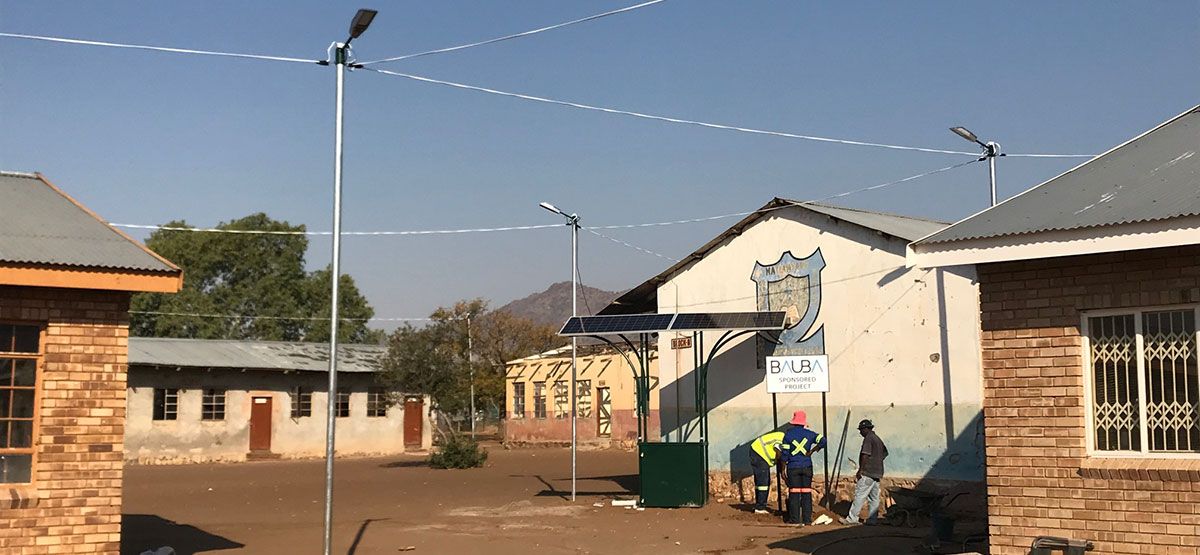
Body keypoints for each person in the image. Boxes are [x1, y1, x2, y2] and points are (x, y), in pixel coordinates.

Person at [779, 409, 825, 526]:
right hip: (807, 466)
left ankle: (794, 519)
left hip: (793, 467)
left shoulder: (788, 435)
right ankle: (807, 520)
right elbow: (823, 441)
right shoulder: (810, 434)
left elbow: (785, 453)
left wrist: (782, 469)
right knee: (806, 493)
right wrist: (813, 450)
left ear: (793, 422)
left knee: (794, 493)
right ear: (804, 422)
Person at [841, 419, 888, 525]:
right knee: (874, 497)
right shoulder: (877, 439)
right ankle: (872, 520)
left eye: (861, 430)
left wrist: (861, 470)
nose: (860, 432)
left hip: (868, 472)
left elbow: (865, 454)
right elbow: (885, 452)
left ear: (866, 429)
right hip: (878, 473)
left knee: (860, 495)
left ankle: (852, 519)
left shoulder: (868, 439)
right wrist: (877, 460)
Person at [748, 428, 785, 514]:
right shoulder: (783, 439)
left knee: (761, 481)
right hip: (759, 453)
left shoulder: (782, 436)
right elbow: (778, 452)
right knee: (763, 482)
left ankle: (759, 505)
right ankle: (760, 507)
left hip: (757, 452)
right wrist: (782, 471)